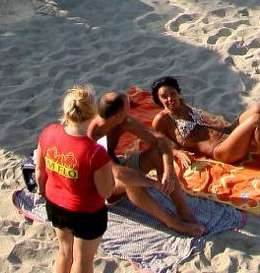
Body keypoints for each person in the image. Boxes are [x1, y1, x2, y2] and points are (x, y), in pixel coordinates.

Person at [95, 91, 203, 235]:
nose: (131, 109)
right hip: (99, 185)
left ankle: (183, 211)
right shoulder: (94, 136)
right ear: (117, 116)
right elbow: (119, 173)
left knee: (157, 155)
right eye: (128, 107)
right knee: (130, 181)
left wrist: (168, 171)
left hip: (116, 163)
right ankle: (172, 223)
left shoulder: (123, 121)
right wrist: (152, 183)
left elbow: (160, 141)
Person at [36, 86, 118, 273]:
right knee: (82, 260)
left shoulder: (49, 133)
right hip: (86, 211)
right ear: (94, 113)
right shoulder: (95, 152)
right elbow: (106, 191)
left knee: (65, 252)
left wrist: (42, 191)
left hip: (55, 204)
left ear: (66, 111)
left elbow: (40, 172)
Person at [151, 76, 260, 170]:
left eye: (172, 93)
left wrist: (226, 130)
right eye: (164, 97)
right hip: (220, 150)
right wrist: (177, 152)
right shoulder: (162, 119)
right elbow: (157, 142)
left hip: (226, 132)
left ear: (178, 93)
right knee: (256, 120)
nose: (170, 99)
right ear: (159, 100)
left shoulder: (182, 103)